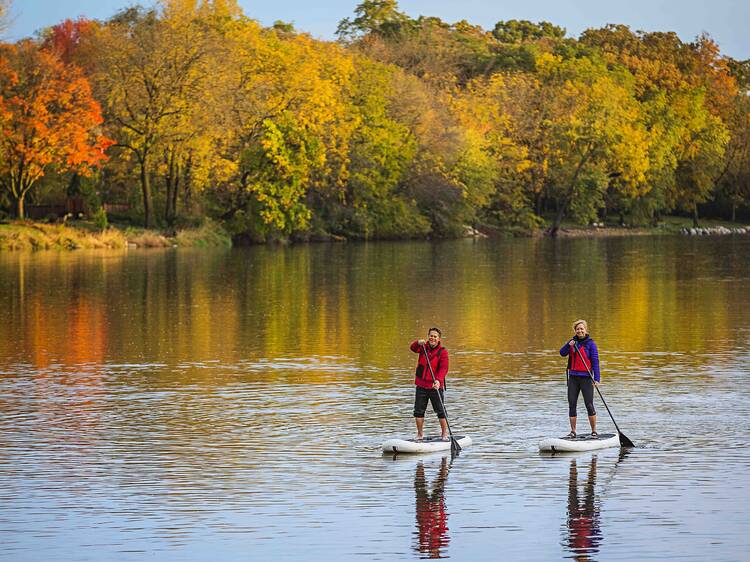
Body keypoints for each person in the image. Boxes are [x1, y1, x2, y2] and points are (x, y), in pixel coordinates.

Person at [560, 319, 600, 438]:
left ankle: (593, 431)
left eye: (582, 329)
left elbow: (595, 362)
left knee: (589, 404)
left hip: (586, 378)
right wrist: (568, 345)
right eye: (577, 329)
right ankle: (573, 431)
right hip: (573, 378)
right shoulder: (572, 342)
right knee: (572, 404)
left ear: (585, 330)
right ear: (575, 330)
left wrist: (597, 379)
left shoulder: (591, 344)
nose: (580, 331)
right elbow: (562, 353)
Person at [410, 327, 449, 441]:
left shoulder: (443, 352)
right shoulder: (422, 347)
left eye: (435, 336)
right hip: (421, 385)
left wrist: (438, 380)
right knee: (418, 411)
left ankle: (444, 434)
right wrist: (417, 342)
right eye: (431, 336)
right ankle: (420, 435)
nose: (432, 338)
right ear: (428, 337)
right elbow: (412, 348)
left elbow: (444, 369)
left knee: (440, 411)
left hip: (435, 386)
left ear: (439, 339)